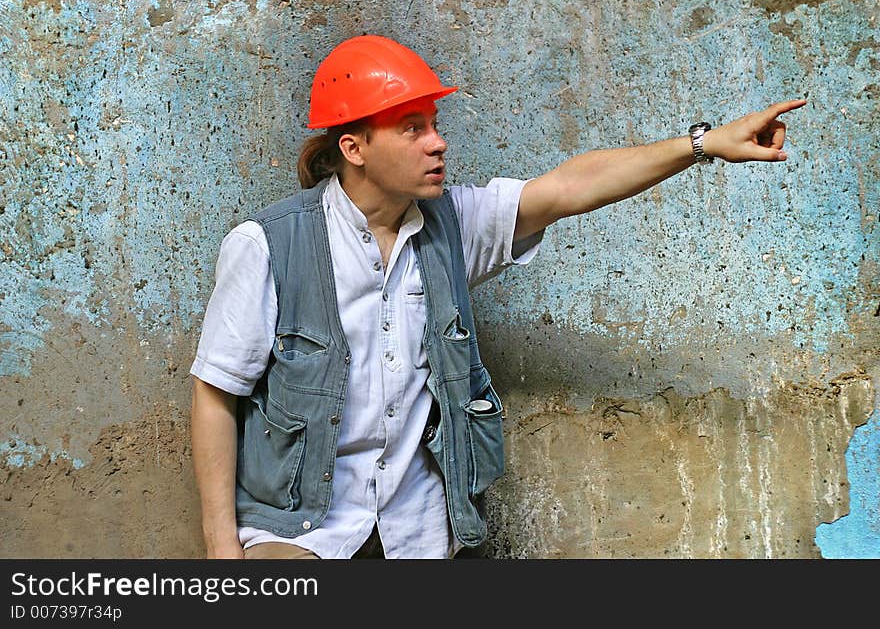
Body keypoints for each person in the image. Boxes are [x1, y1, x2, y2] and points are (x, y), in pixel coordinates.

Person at [189, 34, 806, 559]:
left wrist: (701, 146)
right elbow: (215, 395)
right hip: (301, 531)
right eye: (412, 129)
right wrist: (225, 558)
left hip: (419, 530)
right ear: (353, 149)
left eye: (435, 125)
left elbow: (568, 188)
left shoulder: (453, 224)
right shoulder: (266, 245)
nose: (438, 143)